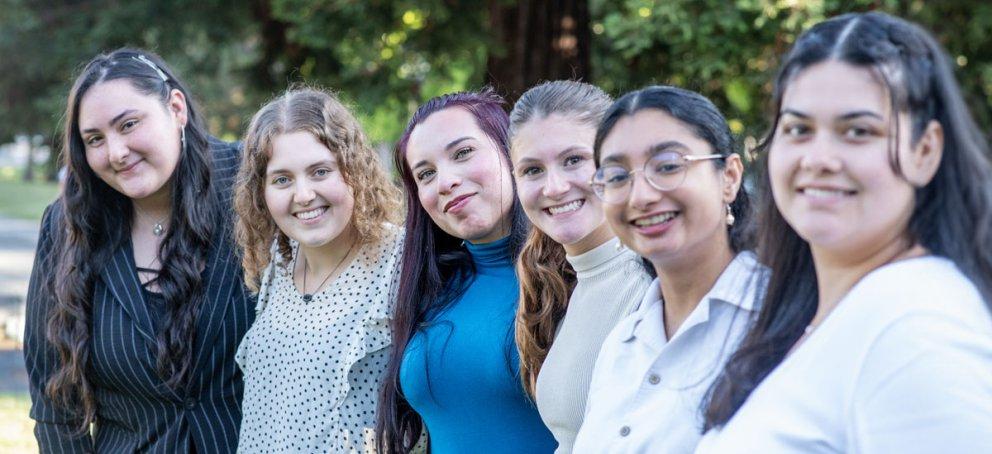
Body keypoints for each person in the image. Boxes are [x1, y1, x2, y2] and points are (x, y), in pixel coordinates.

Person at [698, 12, 992, 453]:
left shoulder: (918, 328)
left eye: (857, 131)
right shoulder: (814, 316)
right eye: (798, 129)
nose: (819, 158)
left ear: (925, 151)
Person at [23, 48, 254, 452]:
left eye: (128, 124)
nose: (115, 152)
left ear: (176, 108)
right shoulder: (67, 227)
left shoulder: (252, 185)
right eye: (95, 139)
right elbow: (55, 403)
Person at [572, 85, 764, 453]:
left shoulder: (782, 320)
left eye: (669, 166)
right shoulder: (621, 342)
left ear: (729, 177)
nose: (641, 196)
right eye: (616, 176)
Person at [376, 90, 556, 453]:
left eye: (462, 153)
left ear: (511, 152)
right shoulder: (431, 288)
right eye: (425, 174)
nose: (445, 181)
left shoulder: (569, 276)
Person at [232, 87, 404, 452]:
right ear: (261, 192)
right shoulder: (280, 264)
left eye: (320, 171)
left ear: (353, 170)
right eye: (282, 179)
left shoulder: (401, 260)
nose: (304, 194)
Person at [509, 80, 653, 452]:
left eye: (574, 160)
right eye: (532, 170)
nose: (554, 187)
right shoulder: (564, 284)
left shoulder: (655, 281)